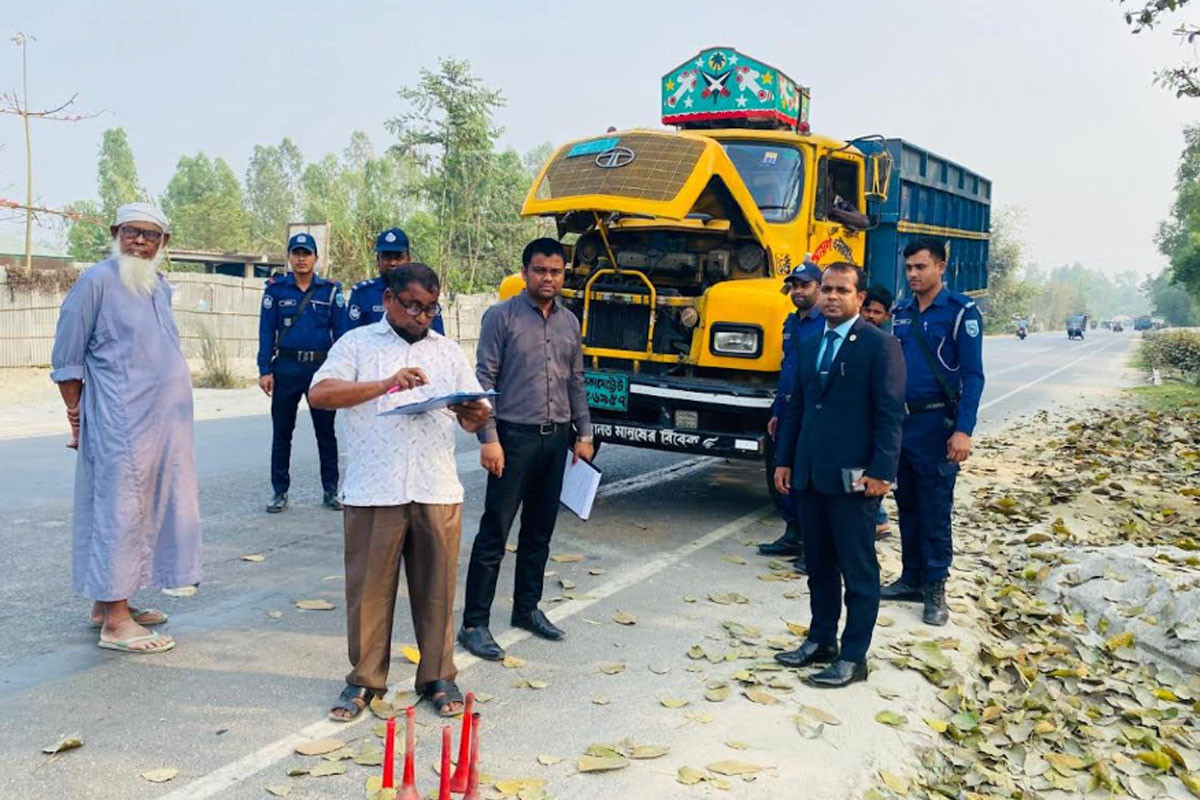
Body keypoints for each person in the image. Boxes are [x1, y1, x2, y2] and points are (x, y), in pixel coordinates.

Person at [308, 263, 492, 720]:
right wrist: (387, 383)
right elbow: (321, 393)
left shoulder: (447, 352)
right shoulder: (357, 343)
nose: (421, 316)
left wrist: (473, 412)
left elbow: (475, 417)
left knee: (437, 590)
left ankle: (437, 675)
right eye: (412, 305)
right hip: (375, 487)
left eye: (430, 308)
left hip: (435, 486)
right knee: (370, 592)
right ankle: (365, 682)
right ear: (388, 300)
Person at [50, 202, 202, 654]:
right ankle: (115, 624)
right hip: (120, 423)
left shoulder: (159, 286)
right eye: (132, 232)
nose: (140, 241)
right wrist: (77, 418)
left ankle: (110, 603)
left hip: (160, 425)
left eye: (150, 235)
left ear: (163, 244)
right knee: (120, 512)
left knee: (144, 511)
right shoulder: (95, 281)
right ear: (116, 233)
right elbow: (68, 360)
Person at [458, 238, 593, 661]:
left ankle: (526, 609)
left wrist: (584, 433)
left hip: (556, 441)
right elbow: (484, 381)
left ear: (563, 274)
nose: (548, 278)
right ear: (524, 271)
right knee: (495, 532)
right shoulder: (501, 317)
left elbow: (575, 381)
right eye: (540, 270)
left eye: (555, 271)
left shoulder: (570, 322)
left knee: (539, 533)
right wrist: (489, 439)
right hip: (512, 439)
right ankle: (474, 623)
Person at [771, 262, 906, 688]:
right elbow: (797, 408)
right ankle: (821, 640)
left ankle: (853, 657)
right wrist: (785, 460)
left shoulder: (880, 346)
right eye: (826, 289)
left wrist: (883, 472)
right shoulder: (809, 344)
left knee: (858, 570)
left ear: (859, 298)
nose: (831, 296)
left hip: (856, 478)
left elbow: (889, 416)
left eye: (841, 290)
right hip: (811, 475)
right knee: (819, 566)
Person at [884, 238, 985, 626]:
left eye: (921, 267)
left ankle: (935, 587)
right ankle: (911, 577)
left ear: (941, 267)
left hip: (937, 424)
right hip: (902, 424)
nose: (913, 274)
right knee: (906, 503)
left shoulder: (960, 312)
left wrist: (963, 430)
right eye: (909, 268)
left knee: (935, 509)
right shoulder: (903, 312)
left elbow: (974, 375)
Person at [257, 233, 348, 513]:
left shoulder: (329, 291)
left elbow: (343, 335)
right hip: (286, 367)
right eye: (296, 253)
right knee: (282, 432)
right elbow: (266, 331)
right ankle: (279, 491)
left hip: (321, 369)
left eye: (306, 253)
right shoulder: (276, 290)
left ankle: (330, 490)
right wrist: (265, 369)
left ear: (316, 258)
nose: (301, 258)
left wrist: (341, 371)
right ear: (289, 257)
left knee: (326, 432)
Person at [760, 261, 824, 569]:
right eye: (795, 286)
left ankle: (811, 547)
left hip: (812, 409)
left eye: (806, 285)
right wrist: (777, 411)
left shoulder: (825, 323)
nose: (799, 291)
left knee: (805, 478)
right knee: (780, 471)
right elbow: (788, 369)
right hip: (788, 407)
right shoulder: (791, 323)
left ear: (819, 288)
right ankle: (792, 533)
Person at [348, 227, 445, 335]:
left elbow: (437, 337)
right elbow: (350, 336)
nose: (392, 263)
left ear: (408, 259)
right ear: (378, 260)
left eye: (398, 257)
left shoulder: (423, 292)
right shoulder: (362, 293)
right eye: (387, 257)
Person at [861, 284, 896, 539]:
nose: (872, 316)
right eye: (868, 310)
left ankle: (879, 519)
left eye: (877, 312)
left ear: (886, 317)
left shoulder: (887, 345)